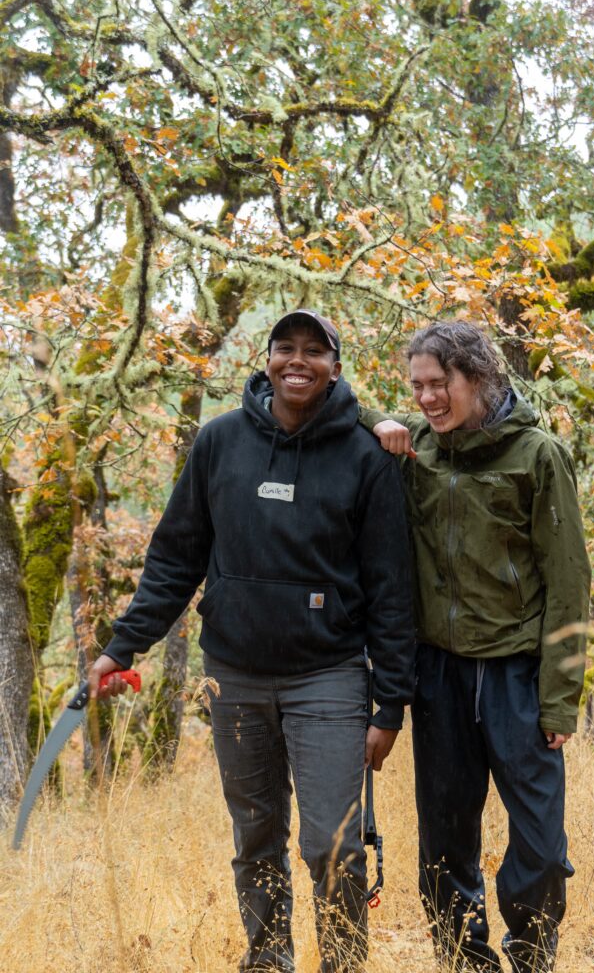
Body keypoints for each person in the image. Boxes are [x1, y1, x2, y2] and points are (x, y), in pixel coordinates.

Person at [90, 309, 415, 973]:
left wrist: (390, 704)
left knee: (334, 843)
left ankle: (343, 964)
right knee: (256, 838)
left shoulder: (366, 456)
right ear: (265, 359)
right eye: (284, 348)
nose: (297, 361)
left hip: (329, 676)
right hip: (234, 678)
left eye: (314, 351)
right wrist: (124, 646)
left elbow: (391, 588)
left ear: (335, 366)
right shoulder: (219, 442)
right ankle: (267, 960)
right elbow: (175, 557)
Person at [362, 320, 591, 973]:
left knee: (541, 848)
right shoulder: (416, 452)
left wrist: (559, 700)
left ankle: (529, 953)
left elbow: (568, 580)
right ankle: (464, 961)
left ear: (479, 378)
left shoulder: (536, 454)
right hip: (437, 676)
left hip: (517, 676)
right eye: (417, 387)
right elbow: (333, 398)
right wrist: (380, 418)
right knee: (442, 843)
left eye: (441, 384)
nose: (429, 398)